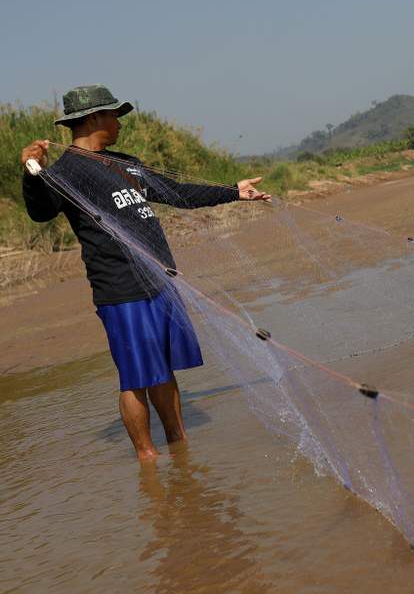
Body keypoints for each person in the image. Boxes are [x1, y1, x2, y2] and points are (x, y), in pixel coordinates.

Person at [20, 84, 271, 462]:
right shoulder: (65, 171)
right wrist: (31, 173)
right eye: (113, 115)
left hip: (160, 281)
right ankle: (147, 460)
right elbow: (41, 211)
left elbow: (176, 192)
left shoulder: (126, 163)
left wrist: (233, 191)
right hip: (121, 290)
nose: (120, 123)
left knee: (164, 370)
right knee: (136, 378)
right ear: (93, 118)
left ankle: (179, 449)